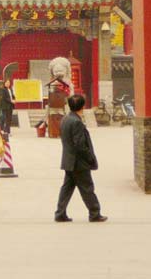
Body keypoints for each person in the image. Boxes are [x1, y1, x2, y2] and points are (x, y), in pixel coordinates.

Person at [54, 94, 107, 223]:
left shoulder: (65, 119)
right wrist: (89, 157)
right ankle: (94, 213)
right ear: (82, 106)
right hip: (78, 162)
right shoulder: (77, 122)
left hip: (68, 160)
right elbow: (80, 145)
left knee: (67, 188)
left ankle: (60, 213)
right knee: (87, 187)